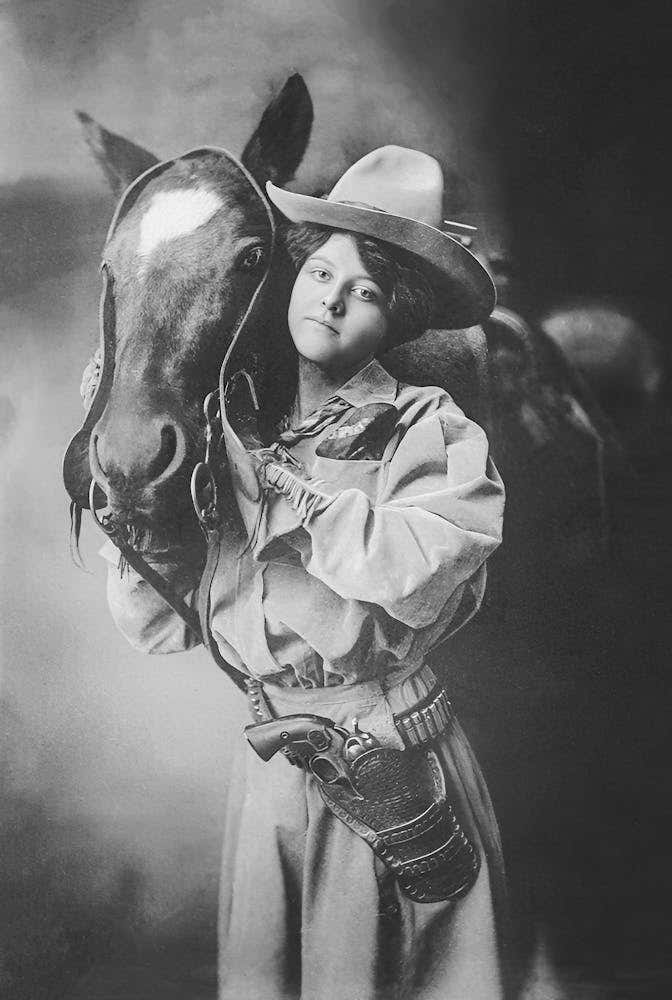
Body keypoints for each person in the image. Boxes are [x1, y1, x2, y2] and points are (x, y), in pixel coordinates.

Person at [100, 145, 507, 1000]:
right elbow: (166, 625)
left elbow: (409, 574)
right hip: (273, 767)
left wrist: (284, 491)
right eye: (320, 272)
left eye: (366, 292)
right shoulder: (237, 432)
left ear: (399, 320)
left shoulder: (427, 431)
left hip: (385, 761)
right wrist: (141, 511)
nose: (332, 297)